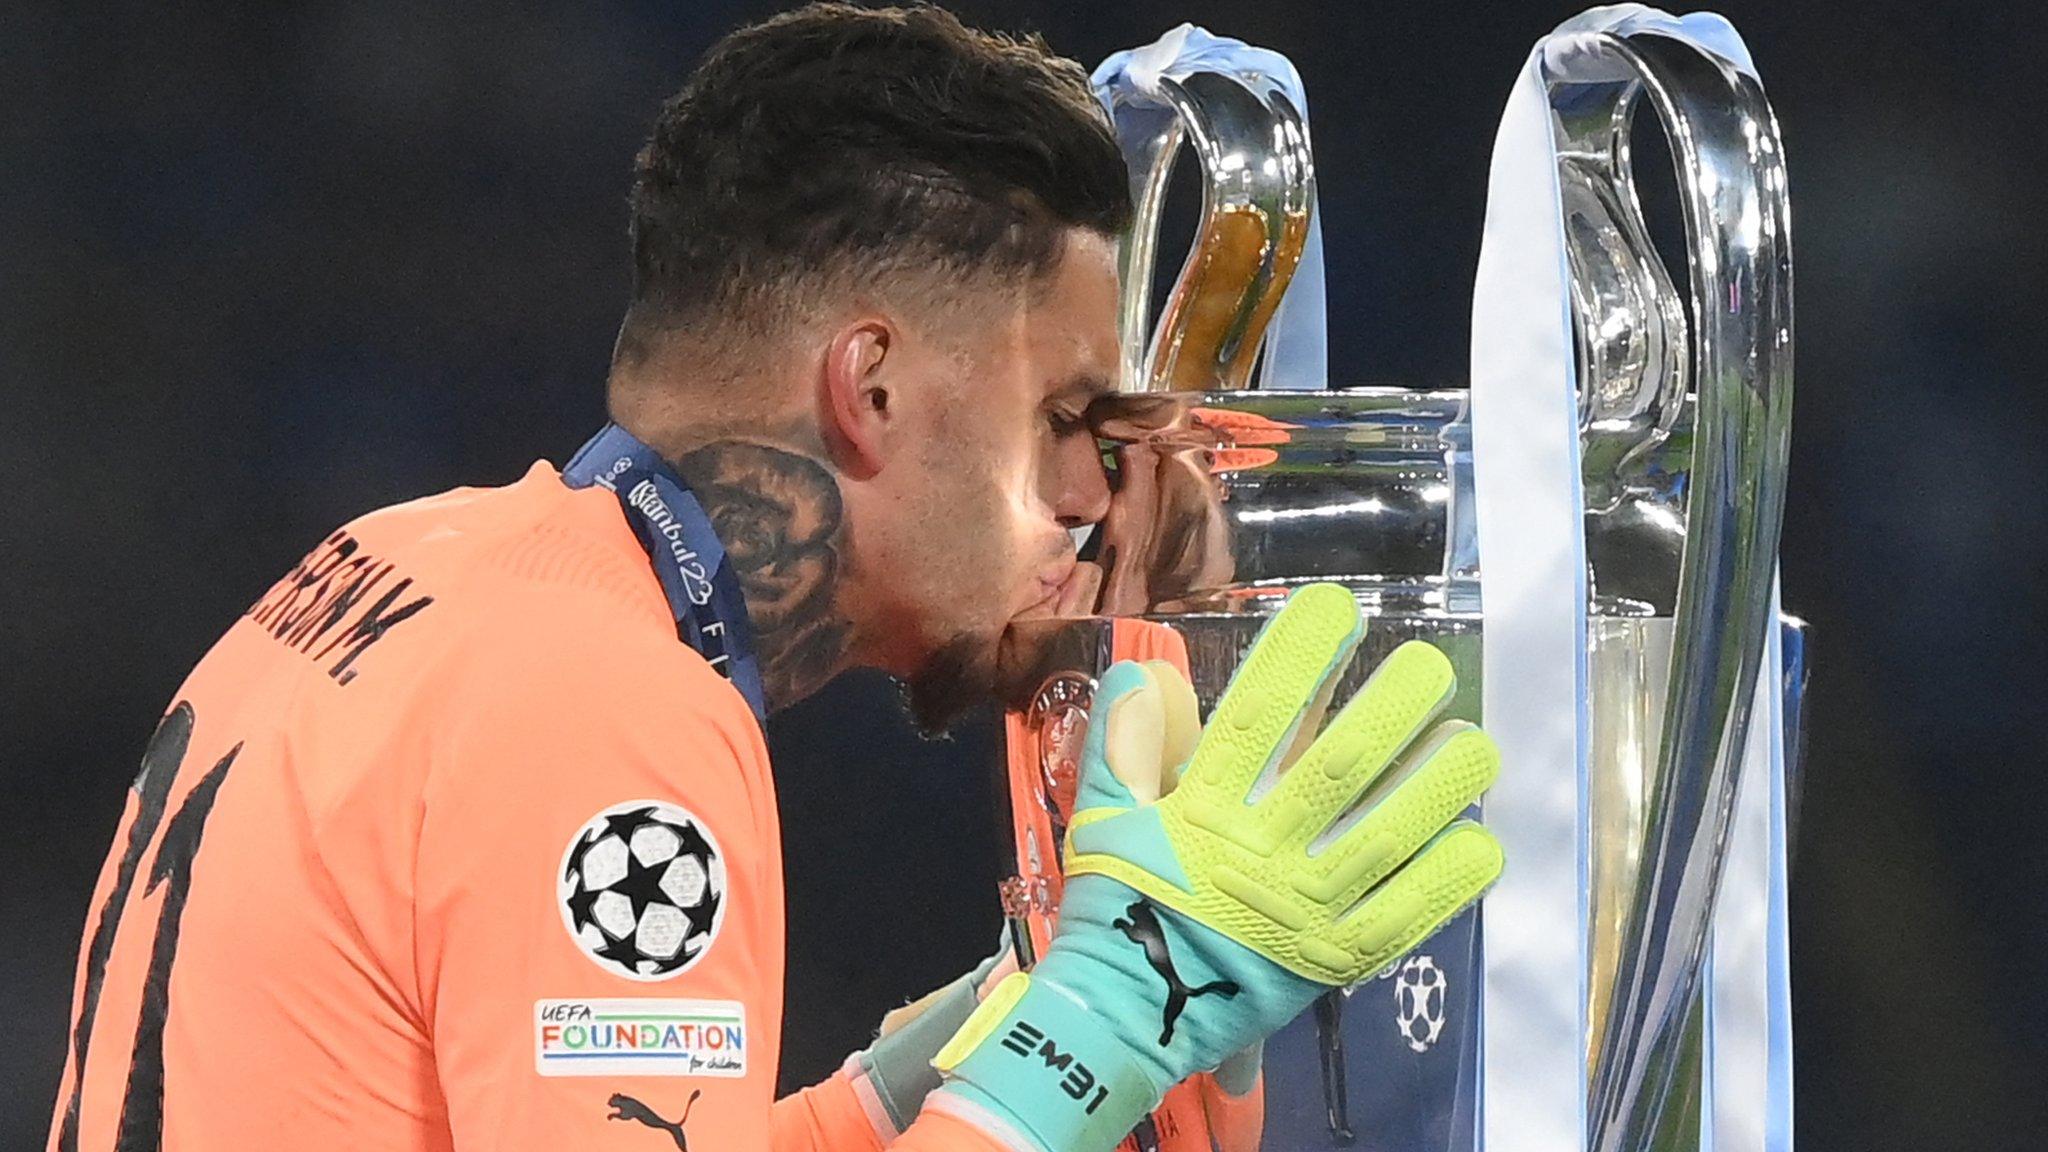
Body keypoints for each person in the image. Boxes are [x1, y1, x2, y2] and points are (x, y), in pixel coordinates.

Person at [46, 6, 1503, 1152]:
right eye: (1062, 419)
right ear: (870, 385)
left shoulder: (405, 565)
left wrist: (967, 1043)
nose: (1085, 496)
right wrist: (1115, 1018)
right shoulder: (610, 716)